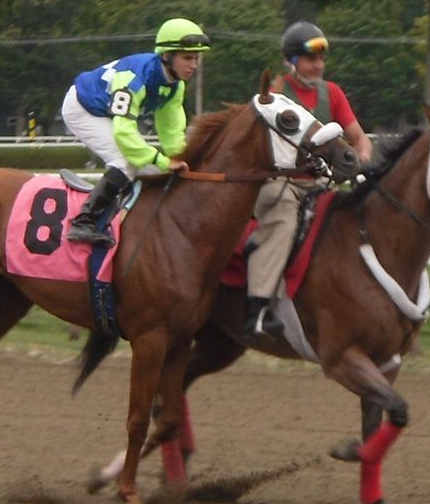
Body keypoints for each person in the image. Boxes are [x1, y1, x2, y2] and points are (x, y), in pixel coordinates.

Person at [244, 20, 375, 338]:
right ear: (291, 61)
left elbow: (360, 140)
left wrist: (360, 161)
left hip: (322, 182)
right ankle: (259, 309)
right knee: (284, 221)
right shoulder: (273, 94)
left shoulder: (332, 93)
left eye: (321, 59)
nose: (318, 65)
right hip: (281, 183)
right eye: (310, 59)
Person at [61, 17, 210, 244]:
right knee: (126, 160)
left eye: (197, 58)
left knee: (148, 168)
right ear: (167, 56)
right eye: (187, 58)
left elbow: (171, 131)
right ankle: (84, 222)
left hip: (106, 113)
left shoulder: (175, 85)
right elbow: (124, 133)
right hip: (82, 107)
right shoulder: (134, 80)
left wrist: (181, 159)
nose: (194, 65)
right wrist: (162, 161)